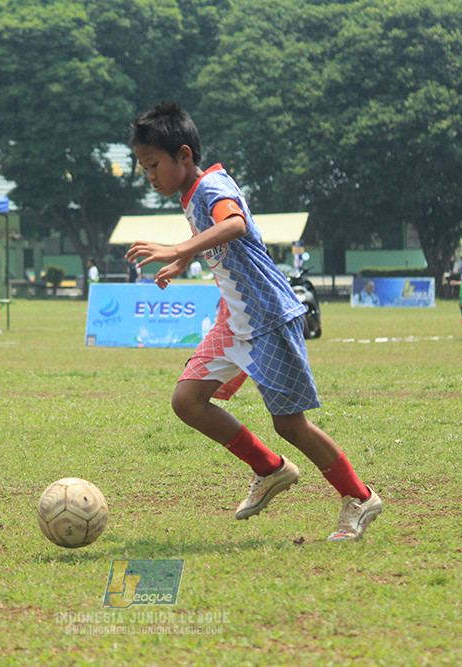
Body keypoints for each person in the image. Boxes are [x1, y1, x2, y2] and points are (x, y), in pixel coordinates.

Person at [126, 101, 382, 542]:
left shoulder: (212, 186)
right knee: (187, 401)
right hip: (234, 317)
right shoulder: (192, 194)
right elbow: (213, 238)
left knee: (290, 424)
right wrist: (184, 260)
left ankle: (359, 496)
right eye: (143, 167)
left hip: (266, 316)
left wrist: (176, 251)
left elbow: (235, 225)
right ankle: (269, 468)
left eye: (153, 164)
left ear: (184, 155)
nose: (149, 176)